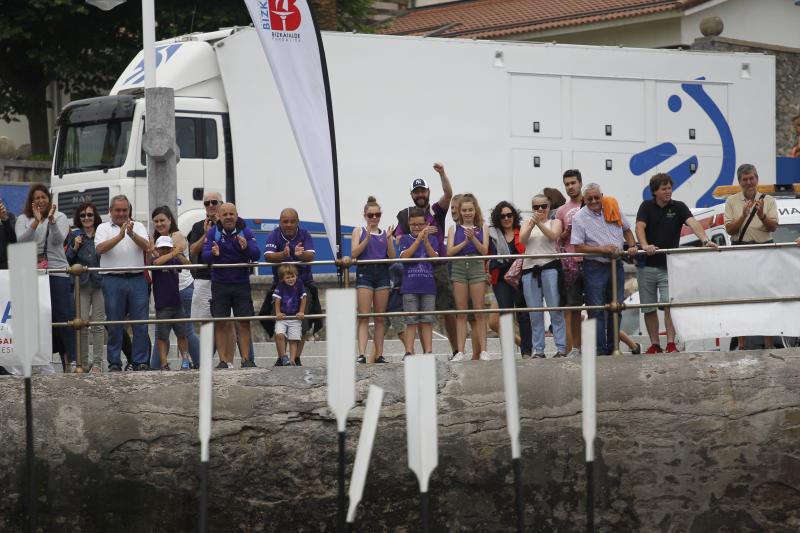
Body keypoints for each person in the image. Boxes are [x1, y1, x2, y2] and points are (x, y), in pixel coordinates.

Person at [636, 173, 717, 354]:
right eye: (663, 188)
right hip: (647, 265)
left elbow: (693, 223)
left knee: (669, 306)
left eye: (669, 188)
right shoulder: (646, 206)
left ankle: (671, 343)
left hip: (669, 265)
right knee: (648, 307)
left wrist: (705, 240)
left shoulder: (679, 207)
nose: (668, 191)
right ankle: (655, 344)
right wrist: (644, 245)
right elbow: (639, 227)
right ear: (655, 191)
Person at [571, 183, 638, 356]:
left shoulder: (612, 206)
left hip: (616, 263)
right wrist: (602, 249)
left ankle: (613, 346)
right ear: (584, 199)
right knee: (597, 309)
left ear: (602, 195)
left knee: (617, 307)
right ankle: (600, 350)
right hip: (595, 266)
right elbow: (578, 247)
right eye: (590, 198)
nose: (594, 201)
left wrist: (631, 246)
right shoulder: (579, 217)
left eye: (596, 197)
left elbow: (627, 230)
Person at [16, 184, 77, 371]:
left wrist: (50, 221)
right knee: (35, 318)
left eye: (43, 197)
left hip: (57, 271)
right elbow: (21, 240)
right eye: (37, 198)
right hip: (33, 274)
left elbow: (59, 241)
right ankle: (38, 361)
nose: (40, 200)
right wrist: (36, 221)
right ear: (31, 201)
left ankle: (73, 360)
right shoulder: (23, 218)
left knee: (64, 316)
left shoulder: (60, 217)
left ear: (49, 199)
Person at [395, 163, 455, 353]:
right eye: (416, 192)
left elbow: (448, 195)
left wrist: (442, 173)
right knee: (419, 314)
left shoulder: (436, 210)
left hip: (438, 266)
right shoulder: (405, 215)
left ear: (428, 192)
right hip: (415, 270)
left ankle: (456, 351)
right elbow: (398, 241)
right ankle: (422, 352)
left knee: (447, 311)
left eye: (423, 191)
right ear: (412, 194)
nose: (420, 195)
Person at [724, 163, 778, 350]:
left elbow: (773, 227)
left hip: (764, 251)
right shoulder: (731, 201)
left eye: (751, 178)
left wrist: (762, 215)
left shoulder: (768, 200)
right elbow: (729, 229)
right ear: (739, 182)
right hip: (741, 251)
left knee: (766, 298)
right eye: (745, 179)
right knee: (741, 299)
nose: (749, 182)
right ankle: (741, 343)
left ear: (757, 179)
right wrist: (743, 215)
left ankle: (768, 343)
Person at [95, 195, 151, 371]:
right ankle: (114, 363)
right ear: (110, 211)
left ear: (129, 211)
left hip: (137, 279)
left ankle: (140, 362)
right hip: (112, 279)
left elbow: (147, 246)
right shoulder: (103, 227)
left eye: (124, 210)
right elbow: (100, 248)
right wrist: (120, 236)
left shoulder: (139, 226)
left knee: (141, 323)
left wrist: (131, 234)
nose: (121, 213)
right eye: (117, 210)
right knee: (114, 324)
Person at [201, 202, 260, 369]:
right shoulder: (213, 233)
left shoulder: (246, 231)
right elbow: (204, 257)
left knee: (244, 323)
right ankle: (223, 361)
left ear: (236, 215)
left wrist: (246, 247)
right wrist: (213, 254)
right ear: (219, 216)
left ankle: (247, 359)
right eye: (224, 214)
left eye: (231, 214)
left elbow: (256, 255)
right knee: (220, 322)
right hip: (220, 284)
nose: (228, 217)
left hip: (241, 284)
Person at [264, 208, 321, 366]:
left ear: (298, 222)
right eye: (285, 221)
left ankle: (296, 357)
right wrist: (283, 254)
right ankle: (282, 357)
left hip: (303, 284)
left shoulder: (305, 234)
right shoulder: (274, 235)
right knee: (278, 322)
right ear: (280, 222)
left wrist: (298, 254)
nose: (288, 224)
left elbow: (310, 255)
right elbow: (268, 256)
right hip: (280, 285)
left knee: (302, 324)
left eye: (292, 221)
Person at [519, 194, 567, 358]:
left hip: (550, 268)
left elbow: (553, 236)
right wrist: (533, 225)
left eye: (543, 206)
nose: (540, 210)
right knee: (535, 313)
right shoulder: (526, 223)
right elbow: (522, 240)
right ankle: (538, 350)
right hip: (529, 270)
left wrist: (539, 223)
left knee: (555, 310)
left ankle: (561, 348)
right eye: (536, 207)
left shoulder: (555, 222)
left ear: (549, 207)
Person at [152, 205, 199, 368]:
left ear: (170, 220)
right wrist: (170, 251)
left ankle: (195, 361)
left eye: (162, 220)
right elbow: (156, 261)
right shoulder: (157, 241)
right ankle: (159, 364)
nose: (159, 223)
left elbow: (185, 263)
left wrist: (172, 252)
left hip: (183, 289)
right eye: (156, 221)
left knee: (186, 331)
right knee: (162, 333)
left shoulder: (177, 235)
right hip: (164, 299)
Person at [390, 207, 438, 357]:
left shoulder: (433, 239)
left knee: (427, 321)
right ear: (409, 225)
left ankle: (428, 351)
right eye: (413, 225)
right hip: (410, 287)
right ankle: (409, 351)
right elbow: (405, 257)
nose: (417, 227)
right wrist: (418, 240)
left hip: (428, 287)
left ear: (425, 224)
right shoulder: (404, 239)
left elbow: (435, 258)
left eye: (420, 224)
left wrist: (426, 241)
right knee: (411, 321)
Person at [447, 193, 490, 361]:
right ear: (460, 211)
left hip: (476, 266)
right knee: (461, 311)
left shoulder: (483, 227)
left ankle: (484, 350)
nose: (467, 213)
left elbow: (484, 251)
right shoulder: (453, 229)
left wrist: (473, 239)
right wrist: (465, 242)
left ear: (475, 210)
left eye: (470, 210)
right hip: (458, 267)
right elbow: (449, 252)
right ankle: (460, 352)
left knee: (479, 310)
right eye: (464, 210)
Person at [351, 196, 393, 364]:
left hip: (382, 273)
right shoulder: (359, 231)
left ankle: (379, 354)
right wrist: (367, 238)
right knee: (364, 315)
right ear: (365, 215)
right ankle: (361, 354)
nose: (374, 218)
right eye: (371, 215)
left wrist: (389, 239)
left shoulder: (384, 233)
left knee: (380, 317)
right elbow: (354, 253)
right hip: (365, 273)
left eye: (377, 214)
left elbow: (392, 257)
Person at [488, 201, 532, 357]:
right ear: (497, 219)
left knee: (524, 314)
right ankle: (508, 353)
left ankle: (527, 351)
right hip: (500, 278)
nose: (506, 218)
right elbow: (486, 255)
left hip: (521, 276)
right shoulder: (492, 234)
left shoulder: (523, 231)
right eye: (502, 216)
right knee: (505, 315)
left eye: (509, 215)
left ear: (514, 215)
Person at [65, 202, 105, 372]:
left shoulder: (102, 233)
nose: (87, 218)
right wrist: (75, 247)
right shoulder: (74, 235)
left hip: (99, 283)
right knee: (80, 324)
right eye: (83, 215)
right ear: (78, 218)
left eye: (90, 214)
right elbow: (66, 260)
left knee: (97, 324)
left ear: (95, 216)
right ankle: (82, 363)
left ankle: (97, 363)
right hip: (80, 284)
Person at [555, 169, 585, 357]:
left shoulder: (591, 204)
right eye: (567, 184)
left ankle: (599, 345)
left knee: (597, 306)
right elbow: (556, 240)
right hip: (571, 263)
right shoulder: (561, 211)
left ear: (580, 183)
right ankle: (576, 347)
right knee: (573, 308)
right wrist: (564, 235)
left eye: (573, 183)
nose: (570, 187)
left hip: (592, 261)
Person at [151, 235, 191, 370]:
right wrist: (173, 252)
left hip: (177, 304)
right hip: (162, 306)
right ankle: (164, 363)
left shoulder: (174, 259)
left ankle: (185, 360)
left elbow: (188, 266)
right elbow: (156, 264)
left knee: (182, 335)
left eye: (166, 248)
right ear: (156, 249)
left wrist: (178, 254)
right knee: (162, 337)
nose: (164, 251)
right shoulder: (155, 259)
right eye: (162, 248)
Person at [273, 264, 306, 367]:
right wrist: (278, 313)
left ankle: (292, 361)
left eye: (293, 276)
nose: (291, 279)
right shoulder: (281, 285)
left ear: (296, 276)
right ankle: (283, 357)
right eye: (288, 277)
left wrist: (301, 312)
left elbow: (303, 298)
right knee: (279, 334)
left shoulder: (299, 284)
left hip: (294, 317)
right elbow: (277, 300)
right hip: (283, 317)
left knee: (294, 339)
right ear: (282, 278)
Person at [0, 197, 16, 375]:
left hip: (3, 276)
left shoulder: (8, 218)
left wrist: (4, 220)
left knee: (2, 323)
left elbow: (13, 240)